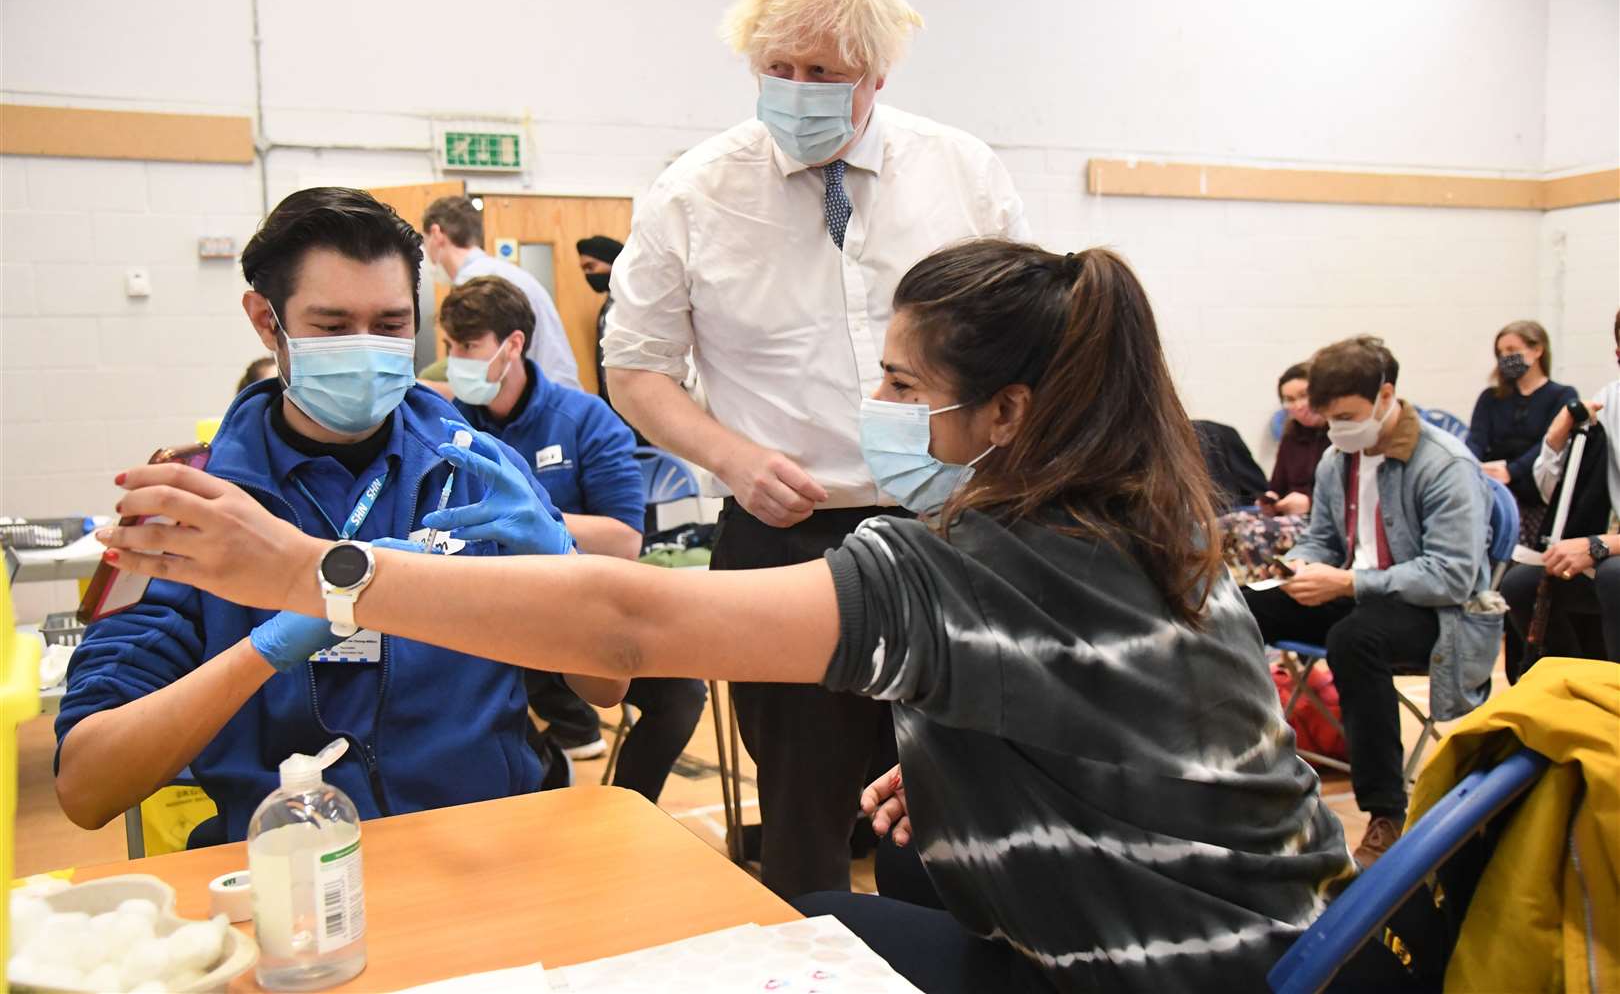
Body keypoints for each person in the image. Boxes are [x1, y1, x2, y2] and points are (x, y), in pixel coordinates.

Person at [97, 241, 1365, 994]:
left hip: (1159, 975)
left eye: (901, 382)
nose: (871, 402)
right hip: (1270, 947)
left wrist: (313, 572)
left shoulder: (979, 561)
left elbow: (625, 632)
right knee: (817, 919)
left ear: (1008, 417)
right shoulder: (1149, 525)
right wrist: (1012, 781)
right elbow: (1158, 745)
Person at [601, 0, 1028, 898]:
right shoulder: (693, 195)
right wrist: (733, 457)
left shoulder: (961, 174)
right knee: (802, 806)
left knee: (951, 791)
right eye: (776, 67)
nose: (796, 89)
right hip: (784, 539)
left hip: (953, 527)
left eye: (823, 70)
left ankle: (940, 955)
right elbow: (637, 371)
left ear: (876, 72)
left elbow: (1039, 346)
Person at [53, 187, 607, 844]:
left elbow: (606, 685)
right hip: (293, 871)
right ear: (267, 322)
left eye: (392, 324)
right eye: (334, 327)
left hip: (489, 848)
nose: (366, 349)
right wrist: (261, 652)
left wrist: (564, 563)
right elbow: (87, 785)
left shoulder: (477, 474)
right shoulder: (195, 510)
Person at [439, 275, 706, 798]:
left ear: (513, 345)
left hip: (573, 605)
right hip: (478, 612)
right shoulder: (444, 421)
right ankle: (543, 761)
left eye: (468, 346)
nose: (454, 360)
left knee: (681, 695)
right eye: (450, 346)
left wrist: (532, 521)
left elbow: (625, 539)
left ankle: (627, 803)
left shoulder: (585, 419)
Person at [1241, 336, 1501, 869]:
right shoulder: (1339, 459)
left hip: (1437, 613)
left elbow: (1452, 577)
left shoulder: (1444, 464)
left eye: (1346, 416)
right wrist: (1298, 567)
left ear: (1386, 396)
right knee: (1243, 605)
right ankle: (1249, 767)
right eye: (1329, 418)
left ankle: (1384, 812)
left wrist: (1347, 583)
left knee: (1355, 640)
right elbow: (1321, 540)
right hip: (1359, 592)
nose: (1336, 429)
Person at [1500, 309, 1620, 670]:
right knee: (1521, 584)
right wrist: (1555, 439)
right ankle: (1574, 696)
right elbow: (1551, 493)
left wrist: (1600, 544)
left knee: (1615, 576)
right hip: (1610, 547)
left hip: (1613, 551)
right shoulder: (1609, 400)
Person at [421, 195, 582, 390]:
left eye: (424, 241)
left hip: (537, 402)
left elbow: (483, 375)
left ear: (436, 234)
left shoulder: (476, 285)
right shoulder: (502, 272)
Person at [1219, 363, 1332, 583]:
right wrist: (1270, 500)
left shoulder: (1338, 437)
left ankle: (1260, 593)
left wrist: (1310, 503)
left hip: (1317, 519)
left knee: (1251, 533)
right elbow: (1276, 487)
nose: (1298, 405)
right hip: (1288, 515)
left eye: (1304, 395)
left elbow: (1347, 502)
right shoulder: (1291, 435)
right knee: (1221, 526)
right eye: (1289, 399)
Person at [1467, 320, 1576, 543]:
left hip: (1535, 489)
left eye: (1512, 350)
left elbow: (1549, 443)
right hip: (1492, 485)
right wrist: (1471, 467)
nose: (1505, 357)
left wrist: (1512, 470)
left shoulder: (1562, 396)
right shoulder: (1490, 397)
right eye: (1500, 352)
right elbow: (1476, 440)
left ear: (1537, 350)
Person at [576, 235, 623, 409]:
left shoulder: (635, 303)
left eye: (591, 267)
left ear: (613, 262)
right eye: (584, 269)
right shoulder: (608, 306)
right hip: (612, 403)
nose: (588, 275)